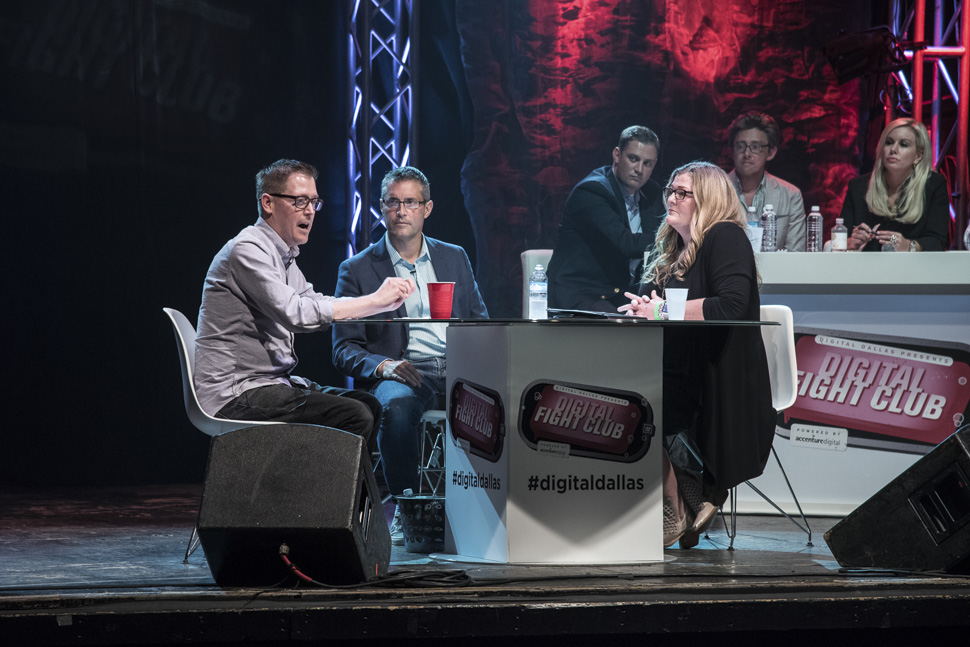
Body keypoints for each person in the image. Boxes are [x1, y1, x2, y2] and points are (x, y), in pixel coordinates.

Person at [194, 159, 414, 450]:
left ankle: (344, 483)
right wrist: (375, 300)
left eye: (314, 202)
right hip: (234, 393)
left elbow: (313, 300)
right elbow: (295, 314)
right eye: (300, 201)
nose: (310, 211)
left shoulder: (283, 254)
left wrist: (377, 304)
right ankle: (320, 483)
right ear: (268, 203)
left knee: (369, 405)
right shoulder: (248, 249)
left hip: (269, 385)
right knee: (355, 415)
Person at [619, 161, 776, 549]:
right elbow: (658, 307)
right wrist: (643, 308)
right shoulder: (671, 248)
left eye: (682, 193)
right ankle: (683, 489)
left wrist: (661, 310)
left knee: (635, 407)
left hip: (718, 379)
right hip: (678, 370)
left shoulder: (726, 236)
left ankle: (673, 504)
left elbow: (732, 305)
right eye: (670, 191)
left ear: (708, 199)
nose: (671, 199)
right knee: (619, 397)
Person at [333, 166, 488, 545]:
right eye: (393, 202)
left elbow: (480, 322)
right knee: (397, 408)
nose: (401, 211)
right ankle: (407, 507)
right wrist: (385, 365)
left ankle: (489, 508)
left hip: (458, 368)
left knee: (504, 400)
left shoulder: (453, 258)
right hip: (403, 372)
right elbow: (343, 348)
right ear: (381, 208)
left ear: (427, 208)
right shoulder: (357, 269)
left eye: (411, 202)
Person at [548, 125, 666, 312]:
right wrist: (673, 239)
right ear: (617, 154)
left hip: (620, 293)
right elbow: (626, 243)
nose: (639, 169)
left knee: (665, 315)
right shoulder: (592, 191)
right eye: (633, 159)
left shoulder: (652, 192)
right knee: (627, 325)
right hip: (581, 292)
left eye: (647, 163)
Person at [841, 117, 950, 252]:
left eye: (903, 144)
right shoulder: (857, 186)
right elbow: (840, 236)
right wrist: (850, 242)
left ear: (918, 156)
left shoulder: (934, 185)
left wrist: (910, 246)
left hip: (913, 265)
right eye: (889, 142)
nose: (893, 149)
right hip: (866, 264)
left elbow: (936, 241)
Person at [726, 112, 806, 251]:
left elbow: (795, 254)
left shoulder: (790, 195)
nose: (747, 154)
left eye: (755, 147)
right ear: (732, 151)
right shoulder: (713, 192)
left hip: (777, 266)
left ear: (771, 152)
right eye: (740, 146)